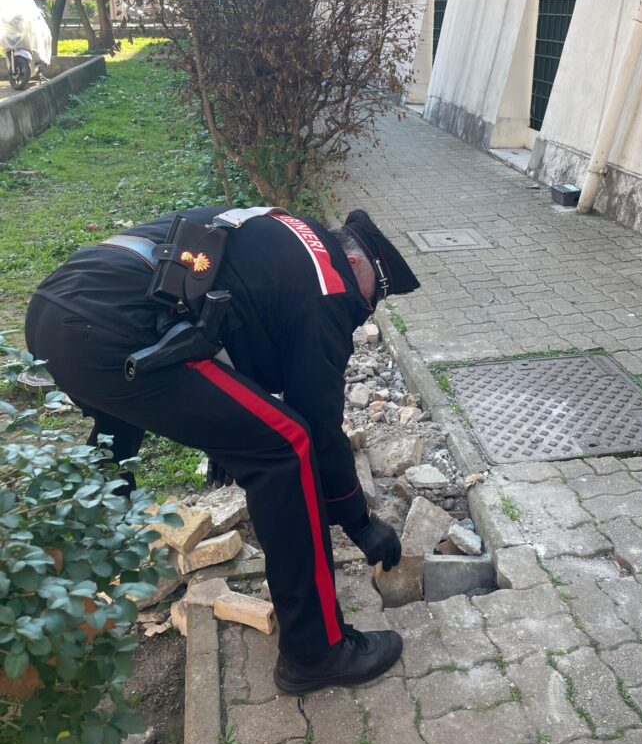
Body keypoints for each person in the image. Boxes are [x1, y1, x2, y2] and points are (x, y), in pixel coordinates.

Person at [24, 206, 420, 694]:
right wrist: (359, 521)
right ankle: (315, 652)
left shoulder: (283, 231)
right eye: (376, 295)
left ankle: (78, 557)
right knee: (285, 447)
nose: (368, 311)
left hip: (55, 308)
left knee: (123, 429)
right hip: (110, 332)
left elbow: (229, 318)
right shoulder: (331, 284)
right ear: (356, 264)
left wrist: (225, 436)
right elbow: (318, 426)